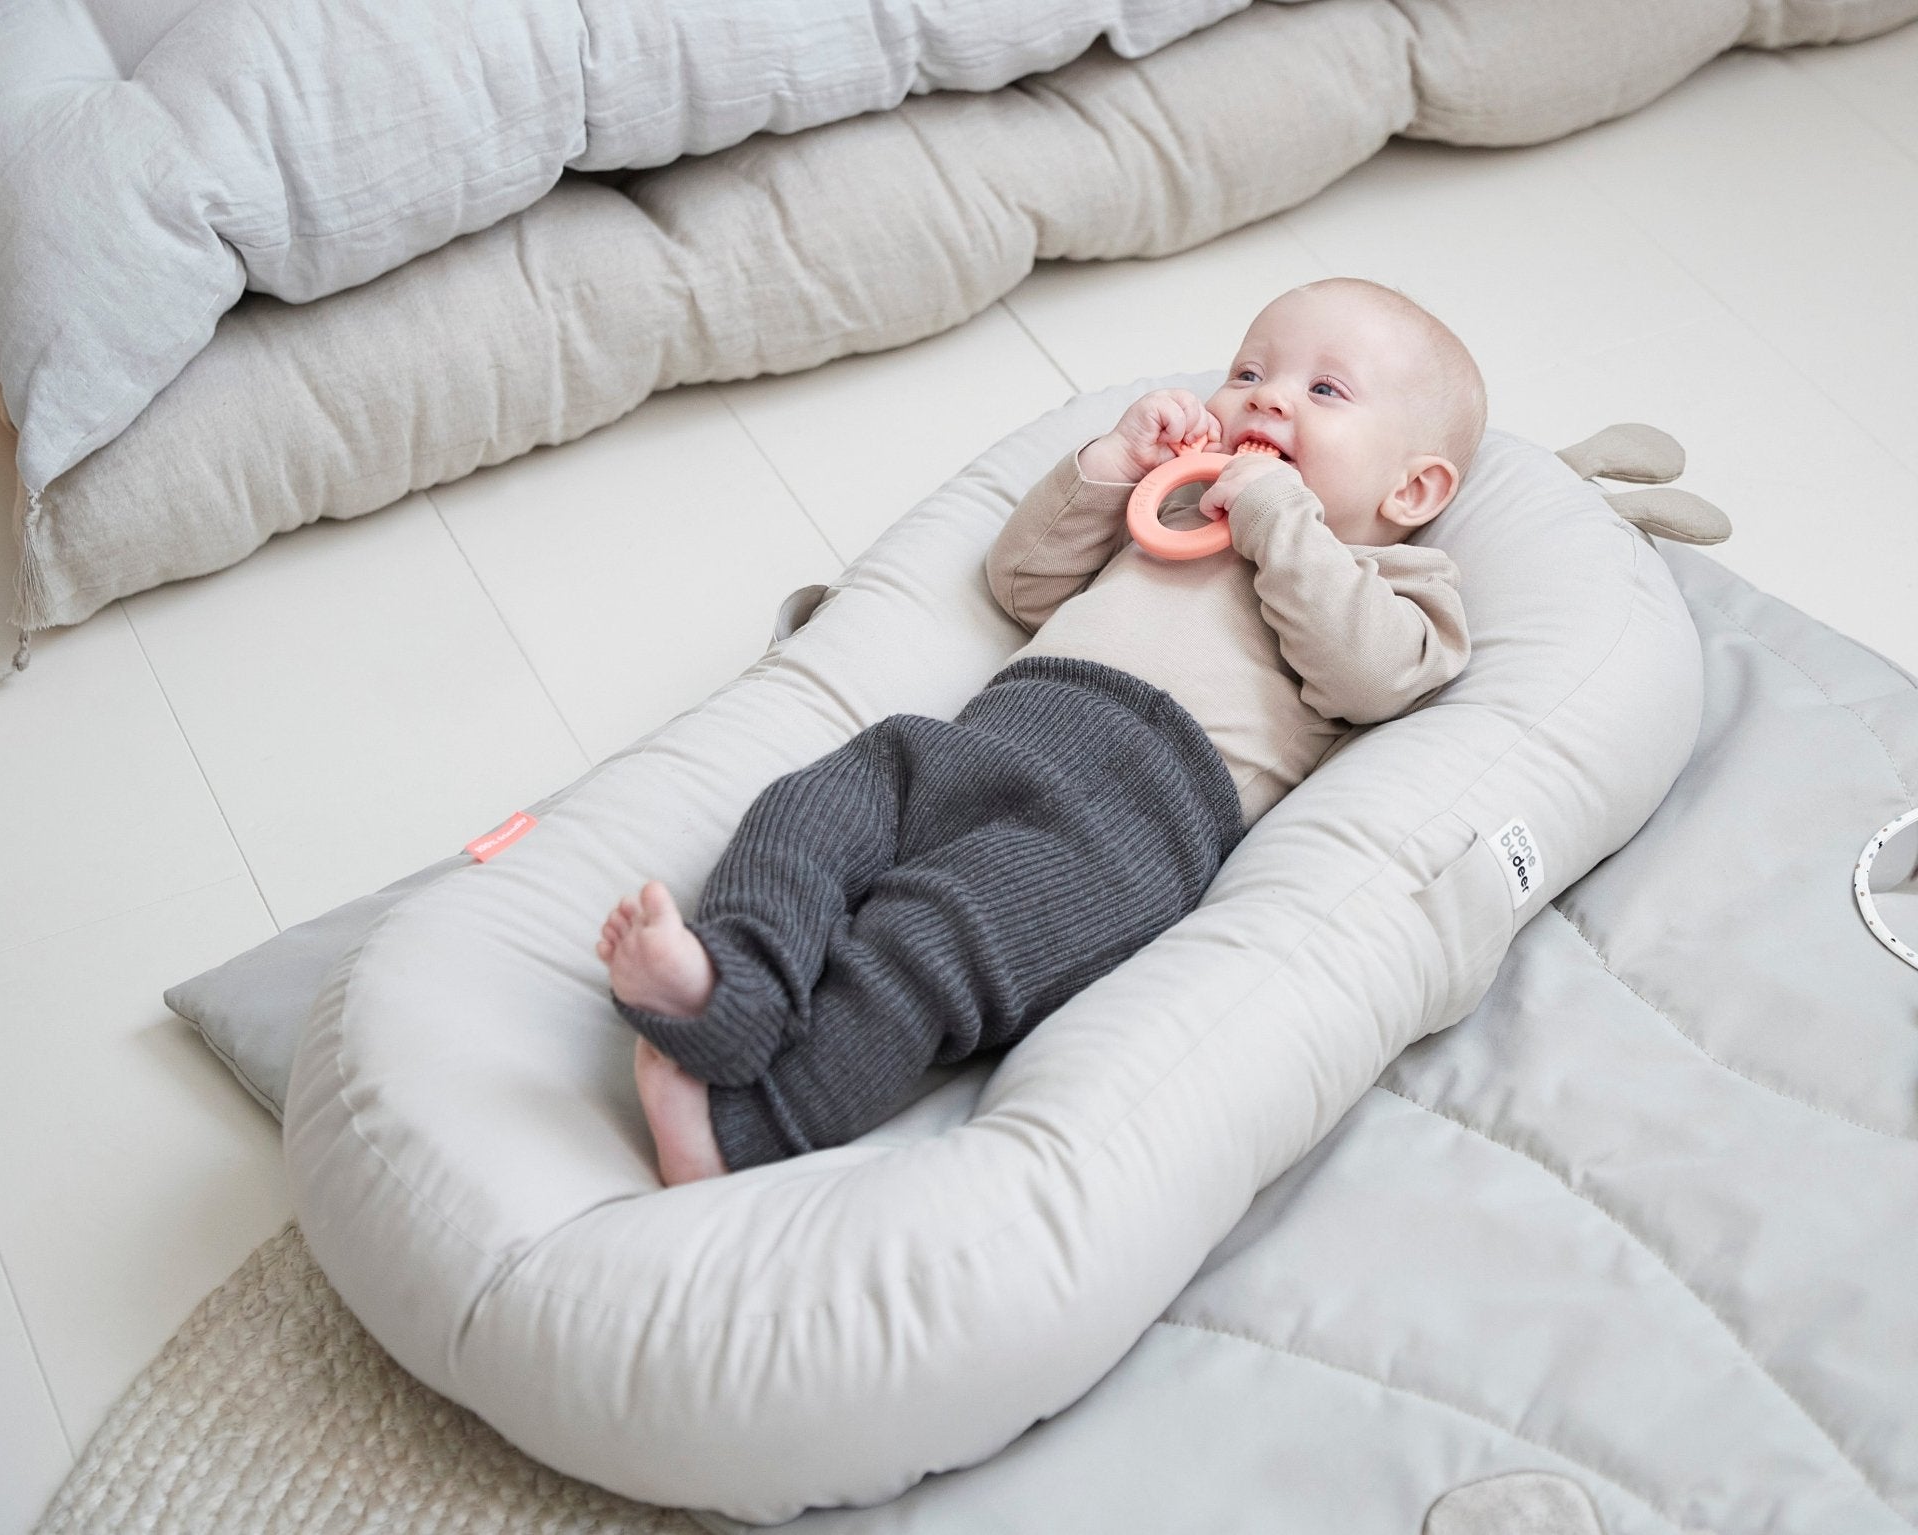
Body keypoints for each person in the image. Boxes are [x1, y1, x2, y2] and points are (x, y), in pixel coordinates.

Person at [598, 277, 1484, 1185]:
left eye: (1324, 390)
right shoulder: (1176, 504)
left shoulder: (1398, 583)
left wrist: (1276, 514)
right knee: (811, 810)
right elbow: (1023, 582)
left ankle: (745, 1125)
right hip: (992, 730)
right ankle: (733, 983)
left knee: (936, 940)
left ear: (1413, 487)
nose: (1267, 398)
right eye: (1248, 372)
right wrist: (1113, 465)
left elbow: (1369, 675)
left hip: (1129, 821)